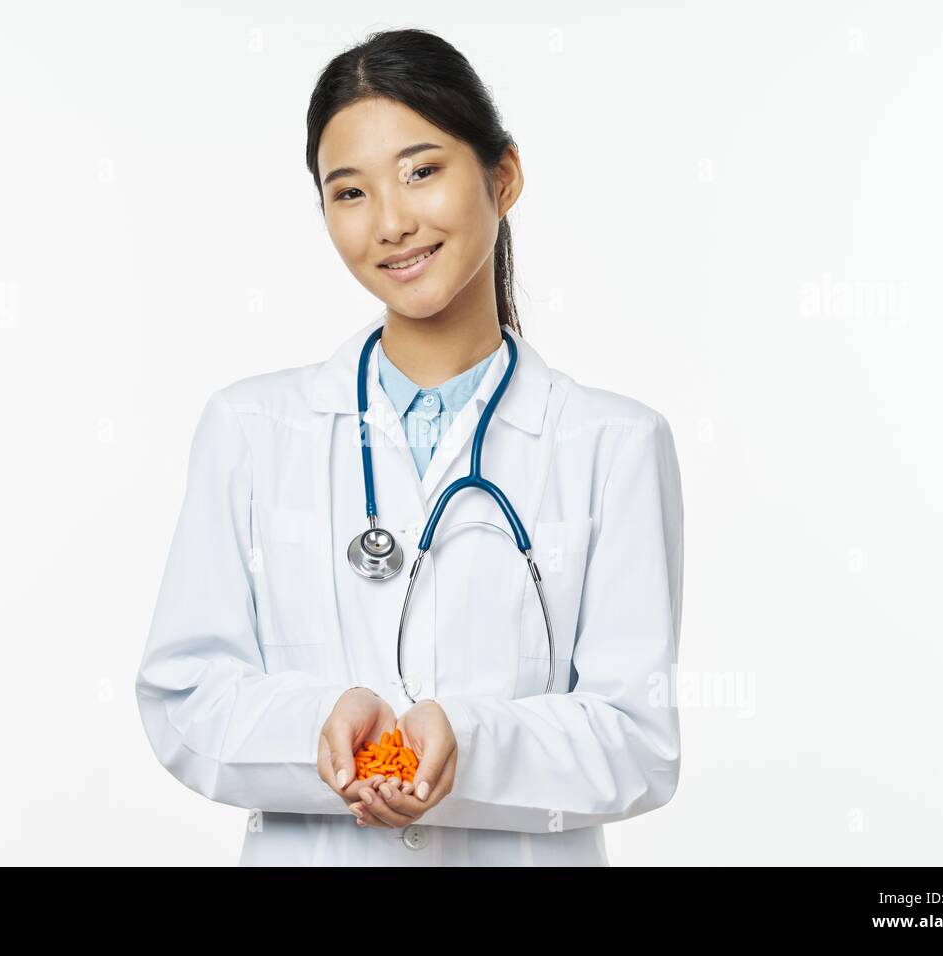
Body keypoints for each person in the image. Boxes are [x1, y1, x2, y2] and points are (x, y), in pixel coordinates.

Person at [134, 28, 684, 866]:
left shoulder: (614, 445)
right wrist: (318, 727)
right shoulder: (250, 429)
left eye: (421, 171)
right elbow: (185, 694)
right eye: (350, 192)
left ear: (503, 177)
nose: (391, 222)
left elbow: (638, 743)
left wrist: (467, 741)